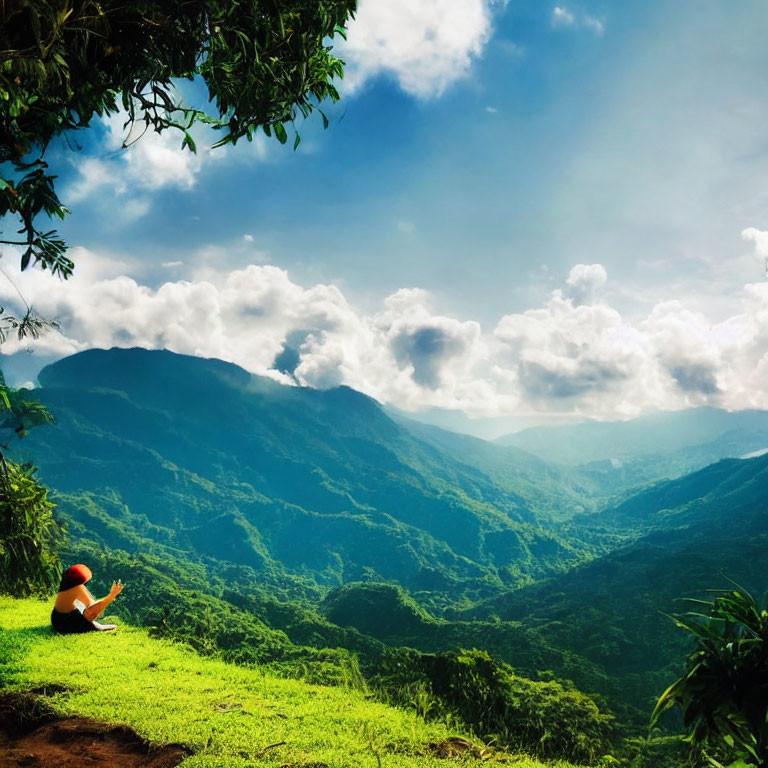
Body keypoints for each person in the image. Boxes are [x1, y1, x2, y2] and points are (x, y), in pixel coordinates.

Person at [51, 564, 124, 634]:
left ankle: (93, 624)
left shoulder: (66, 586)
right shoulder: (77, 589)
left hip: (56, 619)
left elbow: (91, 603)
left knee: (85, 608)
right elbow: (92, 611)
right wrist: (112, 595)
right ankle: (94, 625)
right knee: (111, 625)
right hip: (67, 624)